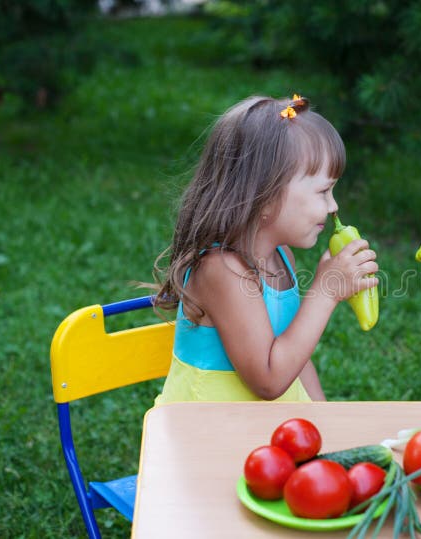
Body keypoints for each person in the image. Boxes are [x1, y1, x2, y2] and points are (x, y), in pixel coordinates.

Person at [152, 94, 378, 404]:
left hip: (264, 434)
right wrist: (325, 292)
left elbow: (293, 352)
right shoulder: (222, 270)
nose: (333, 206)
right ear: (265, 196)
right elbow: (268, 381)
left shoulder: (282, 256)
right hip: (205, 436)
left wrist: (325, 418)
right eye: (323, 191)